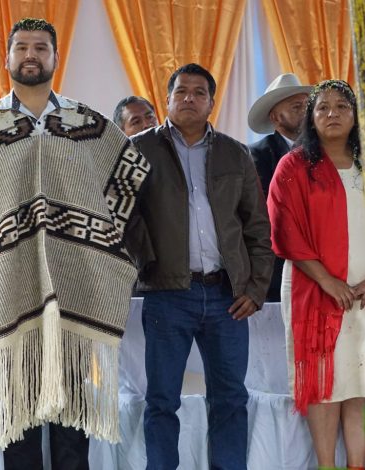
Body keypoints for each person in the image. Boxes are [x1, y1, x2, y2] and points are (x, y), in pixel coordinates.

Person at [0, 18, 149, 469]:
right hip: (14, 285)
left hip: (76, 286)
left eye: (40, 47)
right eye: (21, 47)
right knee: (20, 421)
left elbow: (127, 177)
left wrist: (98, 249)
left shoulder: (88, 123)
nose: (31, 55)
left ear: (56, 57)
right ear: (8, 57)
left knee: (72, 419)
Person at [128, 63, 273, 470]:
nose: (189, 98)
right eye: (181, 92)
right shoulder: (138, 150)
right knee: (162, 401)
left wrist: (256, 287)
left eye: (198, 92)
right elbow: (121, 218)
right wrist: (148, 263)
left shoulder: (234, 152)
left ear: (212, 102)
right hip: (167, 295)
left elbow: (257, 227)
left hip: (229, 296)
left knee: (230, 399)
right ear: (168, 99)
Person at [268, 80, 365, 470]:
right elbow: (284, 229)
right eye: (322, 107)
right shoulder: (294, 166)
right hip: (315, 288)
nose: (332, 114)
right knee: (325, 384)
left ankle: (357, 465)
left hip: (363, 290)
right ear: (310, 117)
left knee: (360, 381)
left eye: (342, 106)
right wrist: (326, 280)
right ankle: (326, 465)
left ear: (356, 116)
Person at [248, 73, 311, 302]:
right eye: (297, 107)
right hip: (277, 272)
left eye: (308, 106)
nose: (307, 113)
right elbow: (263, 213)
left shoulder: (329, 154)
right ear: (275, 117)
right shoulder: (256, 155)